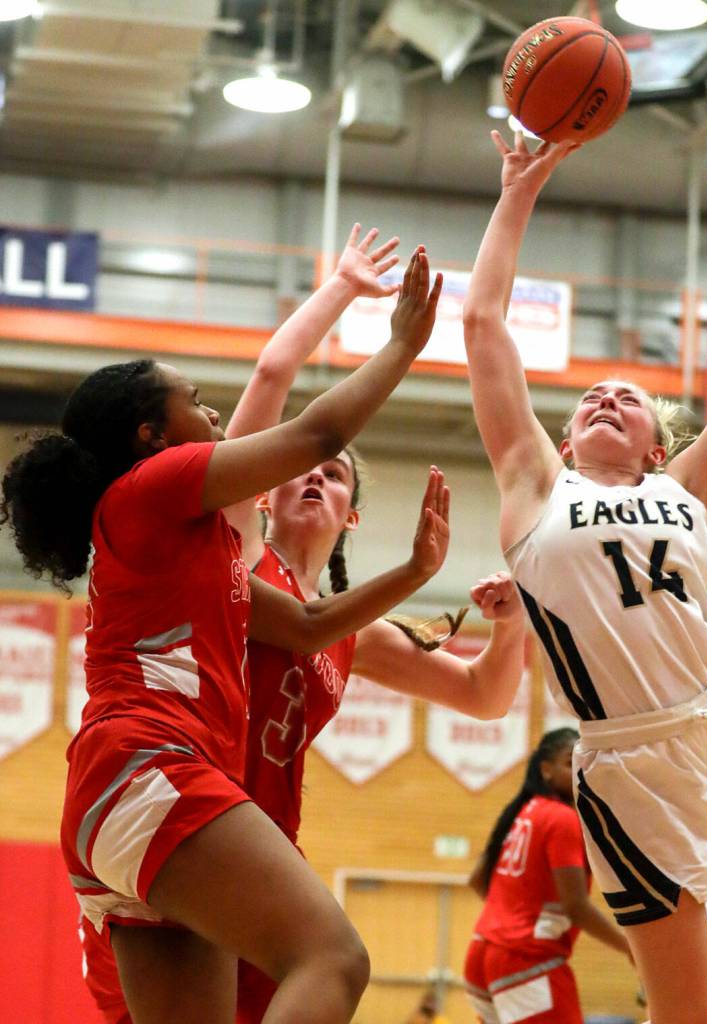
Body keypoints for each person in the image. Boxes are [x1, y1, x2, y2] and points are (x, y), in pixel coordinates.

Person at [72, 226, 527, 1024]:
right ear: (266, 490)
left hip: (206, 819)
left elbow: (322, 630)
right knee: (336, 958)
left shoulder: (269, 588)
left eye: (336, 479)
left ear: (353, 517)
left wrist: (447, 584)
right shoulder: (220, 529)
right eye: (298, 472)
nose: (313, 475)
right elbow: (292, 398)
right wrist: (368, 313)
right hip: (163, 780)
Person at [459, 127, 707, 1024]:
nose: (605, 397)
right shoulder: (533, 485)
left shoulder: (684, 489)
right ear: (563, 442)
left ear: (654, 444)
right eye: (588, 400)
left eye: (627, 399)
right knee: (690, 1009)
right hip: (628, 759)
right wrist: (518, 187)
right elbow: (484, 326)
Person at [1, 247, 445, 1024]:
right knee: (333, 958)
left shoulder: (194, 547)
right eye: (198, 402)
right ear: (149, 436)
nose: (213, 416)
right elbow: (317, 433)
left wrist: (413, 571)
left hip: (126, 790)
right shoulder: (150, 487)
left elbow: (308, 626)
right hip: (151, 765)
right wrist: (403, 343)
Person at [464, 728, 631, 1024]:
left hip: (481, 953)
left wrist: (511, 914)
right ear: (545, 770)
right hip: (526, 958)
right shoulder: (562, 817)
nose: (581, 769)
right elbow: (575, 907)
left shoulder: (524, 811)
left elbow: (477, 879)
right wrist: (628, 947)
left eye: (585, 761)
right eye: (570, 762)